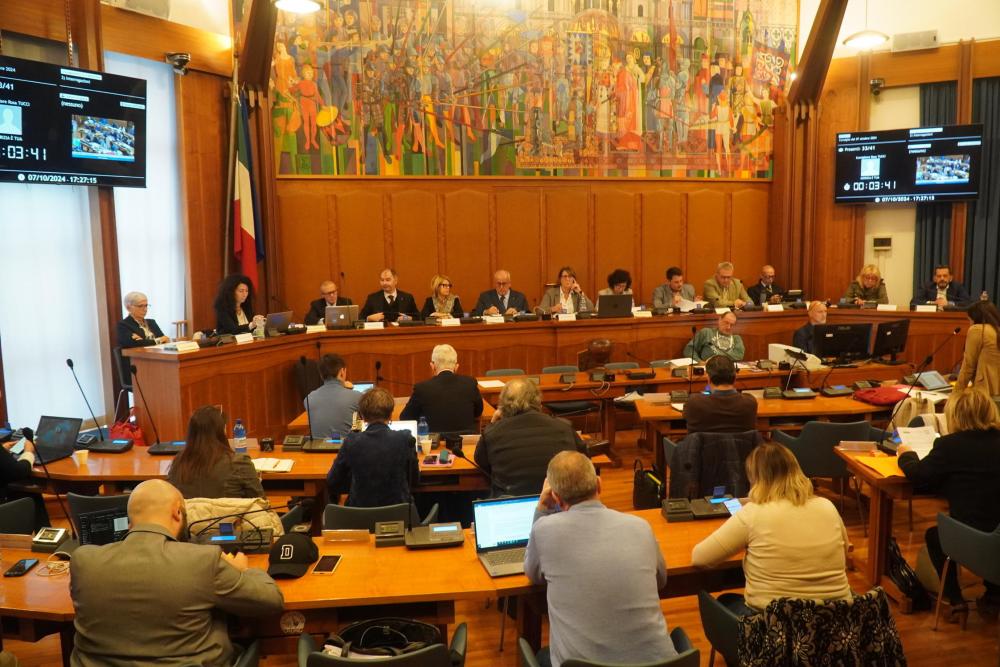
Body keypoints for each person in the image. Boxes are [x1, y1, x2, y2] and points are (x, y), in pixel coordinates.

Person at [69, 479, 284, 667]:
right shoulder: (202, 560)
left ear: (129, 520)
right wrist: (244, 570)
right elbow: (271, 600)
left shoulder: (83, 561)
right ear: (177, 512)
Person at [525, 451, 678, 667]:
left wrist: (541, 510)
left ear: (556, 497)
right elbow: (660, 581)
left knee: (541, 656)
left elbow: (533, 573)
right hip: (663, 664)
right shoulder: (640, 526)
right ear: (599, 484)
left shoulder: (544, 529)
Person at [691, 443, 852, 613]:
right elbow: (845, 550)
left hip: (777, 623)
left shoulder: (753, 513)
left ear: (755, 478)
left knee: (725, 601)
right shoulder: (827, 506)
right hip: (838, 618)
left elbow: (700, 558)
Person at [897, 389, 1000, 616]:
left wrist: (906, 454)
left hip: (969, 541)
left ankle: (955, 600)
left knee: (936, 535)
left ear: (955, 415)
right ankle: (994, 594)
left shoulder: (949, 445)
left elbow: (919, 476)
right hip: (996, 539)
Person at [475, 378, 585, 497]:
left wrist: (493, 424)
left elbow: (481, 460)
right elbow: (583, 457)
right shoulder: (563, 427)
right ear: (538, 401)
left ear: (502, 406)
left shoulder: (493, 432)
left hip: (511, 502)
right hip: (557, 499)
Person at [326, 386, 419, 507]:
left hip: (359, 514)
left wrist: (358, 482)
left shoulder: (351, 442)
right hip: (398, 514)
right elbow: (414, 480)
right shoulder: (405, 439)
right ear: (390, 414)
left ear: (362, 416)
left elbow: (333, 482)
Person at [167, 406, 264, 499]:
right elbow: (261, 503)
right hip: (230, 511)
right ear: (222, 431)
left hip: (191, 511)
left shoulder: (177, 464)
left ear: (191, 433)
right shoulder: (239, 463)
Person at [400, 344, 483, 433]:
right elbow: (478, 412)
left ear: (432, 366)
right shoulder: (470, 383)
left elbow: (405, 417)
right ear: (456, 367)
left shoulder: (422, 388)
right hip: (466, 440)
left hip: (434, 441)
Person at [683, 355, 757, 433]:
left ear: (708, 379)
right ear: (735, 377)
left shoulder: (694, 402)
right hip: (740, 442)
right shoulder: (750, 403)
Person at [306, 353, 361, 439]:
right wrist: (350, 391)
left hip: (317, 447)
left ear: (321, 375)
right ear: (342, 372)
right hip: (345, 446)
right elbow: (362, 423)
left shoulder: (308, 399)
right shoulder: (356, 396)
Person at [956, 301, 1000, 395]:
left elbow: (968, 367)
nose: (970, 324)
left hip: (987, 393)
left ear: (976, 318)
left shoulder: (978, 329)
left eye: (969, 320)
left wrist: (956, 394)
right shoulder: (996, 330)